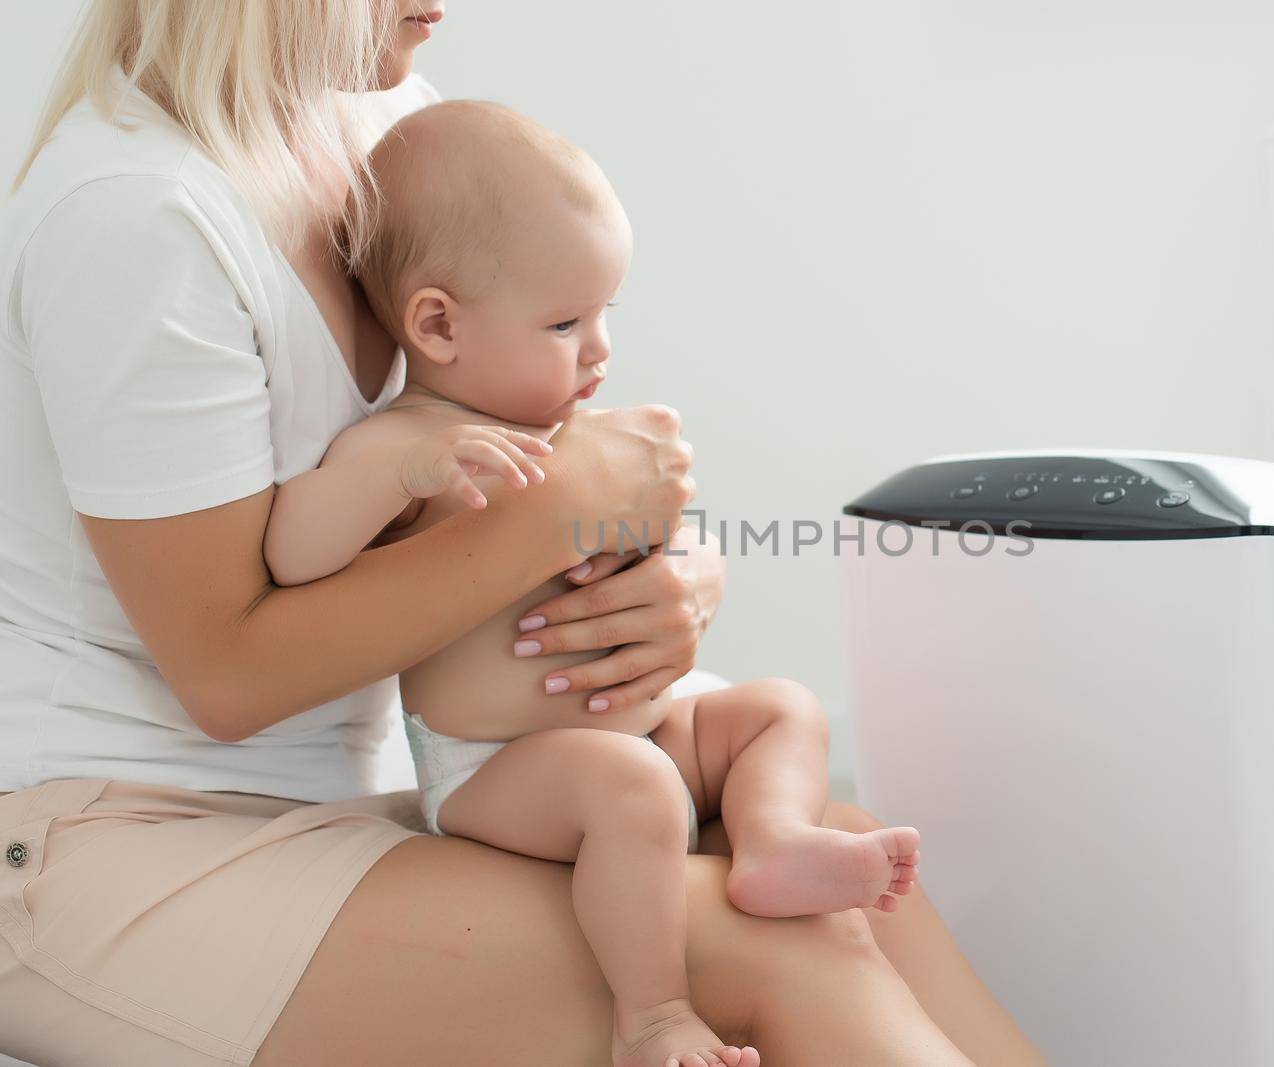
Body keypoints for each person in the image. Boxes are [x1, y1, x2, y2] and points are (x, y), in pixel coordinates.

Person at [0, 2, 1044, 1064]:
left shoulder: (385, 128)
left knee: (837, 858)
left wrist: (672, 575)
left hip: (340, 799)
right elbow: (224, 674)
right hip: (107, 841)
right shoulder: (140, 213)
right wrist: (555, 516)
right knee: (780, 952)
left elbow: (518, 467)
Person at [262, 99, 923, 1067]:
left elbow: (654, 547)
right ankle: (651, 1016)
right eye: (566, 321)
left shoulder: (571, 439)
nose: (600, 347)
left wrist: (680, 555)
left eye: (605, 311)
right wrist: (393, 483)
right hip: (497, 768)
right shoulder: (405, 446)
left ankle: (773, 838)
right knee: (636, 789)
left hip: (643, 720)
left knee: (779, 707)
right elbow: (294, 556)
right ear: (439, 326)